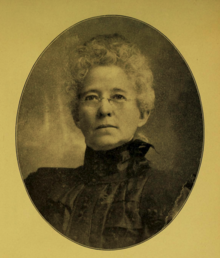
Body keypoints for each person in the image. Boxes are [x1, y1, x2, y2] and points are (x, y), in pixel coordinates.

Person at [25, 34, 194, 249]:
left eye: (118, 97)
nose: (104, 109)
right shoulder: (42, 187)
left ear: (142, 113)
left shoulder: (169, 193)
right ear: (77, 116)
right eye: (91, 97)